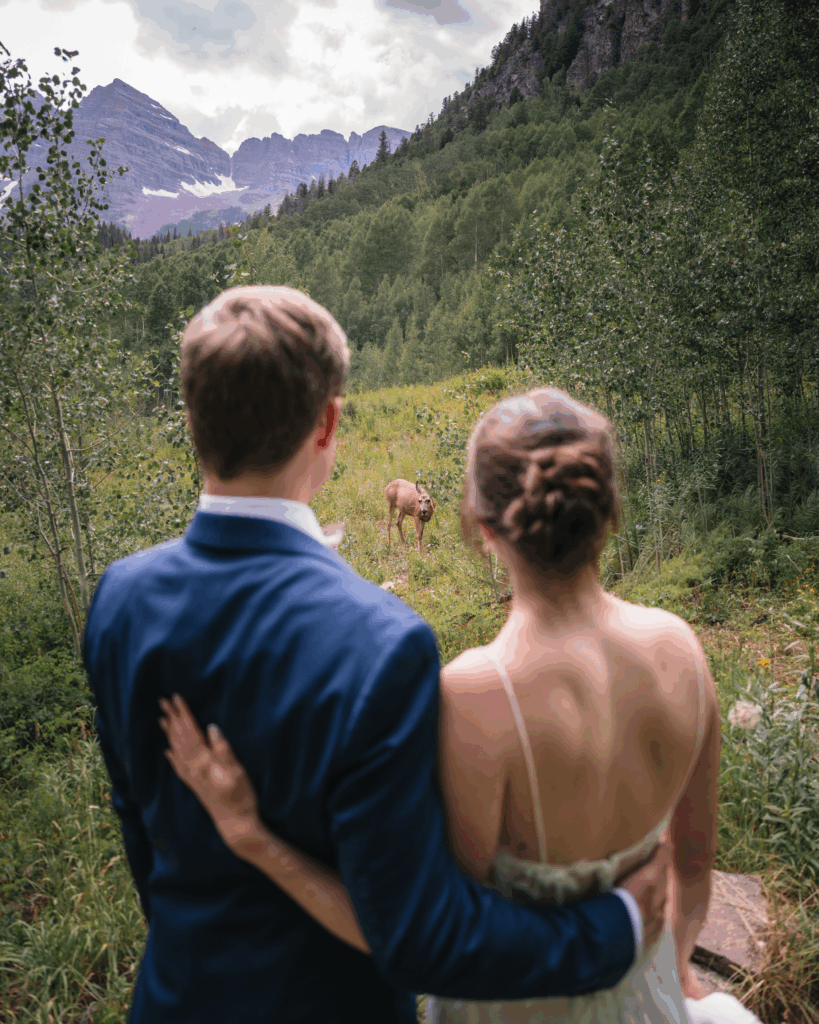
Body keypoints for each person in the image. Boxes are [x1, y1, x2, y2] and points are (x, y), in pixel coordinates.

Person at [84, 287, 669, 1024]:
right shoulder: (380, 641)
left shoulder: (119, 599)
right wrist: (612, 930)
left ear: (192, 419)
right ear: (327, 422)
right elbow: (420, 933)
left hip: (175, 998)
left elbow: (140, 828)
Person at [159, 385, 763, 1024]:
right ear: (609, 506)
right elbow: (694, 868)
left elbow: (422, 928)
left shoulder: (477, 691)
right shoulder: (680, 648)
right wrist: (671, 976)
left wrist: (253, 835)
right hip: (647, 999)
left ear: (479, 525)